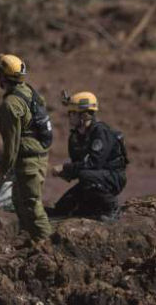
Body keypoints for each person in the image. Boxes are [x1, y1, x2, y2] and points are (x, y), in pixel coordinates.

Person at [0, 54, 53, 240]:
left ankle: (47, 245)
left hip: (28, 161)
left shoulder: (10, 105)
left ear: (3, 76)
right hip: (38, 155)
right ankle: (33, 240)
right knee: (19, 202)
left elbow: (11, 144)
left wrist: (4, 170)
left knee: (31, 204)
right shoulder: (27, 91)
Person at [50, 91, 128, 220]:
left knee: (85, 175)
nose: (69, 117)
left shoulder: (100, 133)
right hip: (91, 179)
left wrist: (65, 168)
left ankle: (112, 208)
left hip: (112, 178)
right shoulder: (75, 137)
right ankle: (92, 207)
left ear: (84, 115)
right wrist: (65, 173)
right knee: (62, 208)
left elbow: (93, 164)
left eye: (73, 113)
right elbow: (79, 165)